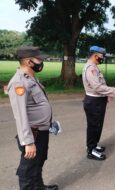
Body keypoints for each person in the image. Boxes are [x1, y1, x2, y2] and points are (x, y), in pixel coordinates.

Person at [7, 46, 58, 190]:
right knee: (28, 169)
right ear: (29, 62)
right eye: (39, 59)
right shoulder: (19, 82)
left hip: (41, 130)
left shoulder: (30, 78)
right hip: (32, 134)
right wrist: (28, 142)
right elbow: (21, 115)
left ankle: (39, 187)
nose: (42, 61)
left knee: (38, 162)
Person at [82, 45, 115, 161]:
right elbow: (97, 86)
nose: (103, 58)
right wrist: (114, 90)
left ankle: (93, 145)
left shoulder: (94, 67)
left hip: (97, 100)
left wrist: (107, 95)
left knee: (97, 125)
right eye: (102, 56)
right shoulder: (90, 68)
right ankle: (91, 150)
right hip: (94, 101)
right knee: (94, 126)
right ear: (95, 55)